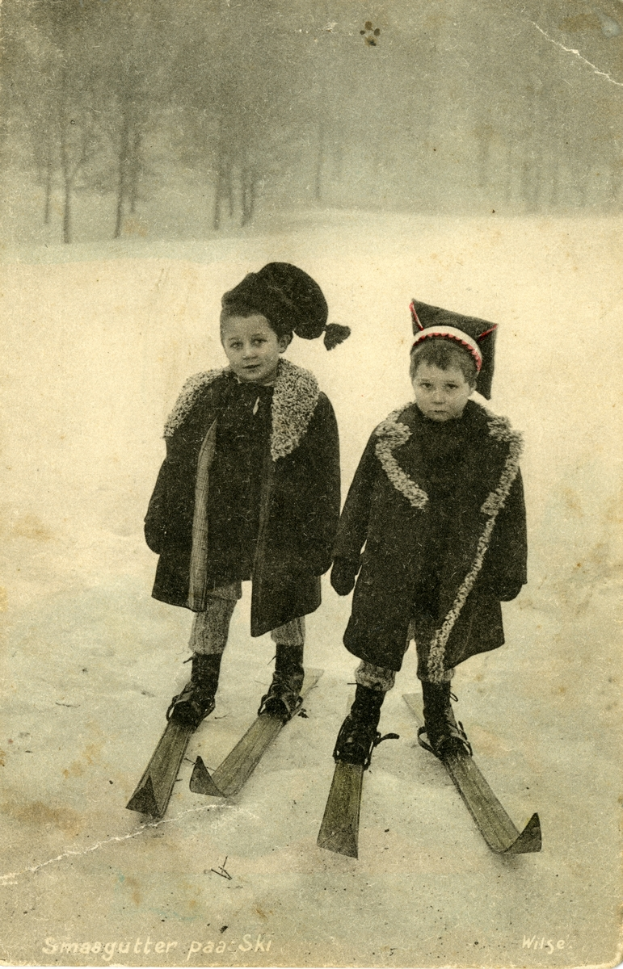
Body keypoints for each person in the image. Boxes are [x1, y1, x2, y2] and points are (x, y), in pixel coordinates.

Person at [144, 263, 349, 728]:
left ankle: (287, 674)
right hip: (218, 523)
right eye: (235, 344)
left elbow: (324, 478)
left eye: (259, 341)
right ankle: (202, 681)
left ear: (283, 341)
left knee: (285, 600)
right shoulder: (208, 394)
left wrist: (322, 538)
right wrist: (162, 514)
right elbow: (178, 461)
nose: (248, 353)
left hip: (281, 526)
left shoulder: (306, 402)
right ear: (223, 346)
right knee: (214, 599)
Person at [330, 299, 527, 765]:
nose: (437, 396)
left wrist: (509, 568)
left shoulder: (495, 445)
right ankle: (362, 716)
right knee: (381, 643)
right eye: (426, 385)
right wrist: (345, 553)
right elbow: (358, 496)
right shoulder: (390, 435)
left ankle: (439, 717)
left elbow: (511, 514)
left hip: (453, 566)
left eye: (450, 387)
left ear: (472, 386)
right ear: (412, 381)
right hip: (392, 562)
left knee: (440, 644)